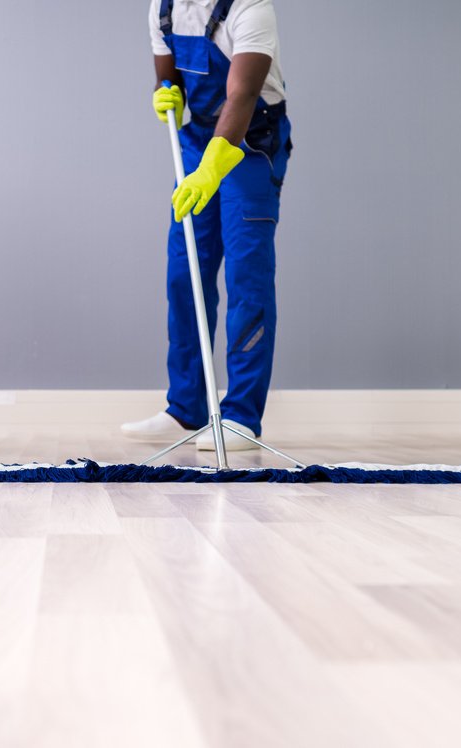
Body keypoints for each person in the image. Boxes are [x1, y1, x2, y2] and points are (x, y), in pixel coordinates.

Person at [121, 0, 292, 451]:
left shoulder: (251, 8)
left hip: (252, 144)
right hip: (197, 141)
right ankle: (185, 411)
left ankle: (240, 417)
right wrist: (166, 93)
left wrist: (215, 166)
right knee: (186, 272)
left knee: (245, 276)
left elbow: (242, 94)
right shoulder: (163, 8)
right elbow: (169, 76)